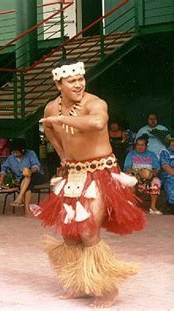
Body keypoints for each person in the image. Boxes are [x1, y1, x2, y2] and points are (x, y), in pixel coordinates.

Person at [36, 59, 145, 308]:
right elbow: (50, 130)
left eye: (80, 79)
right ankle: (79, 283)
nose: (78, 84)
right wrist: (62, 155)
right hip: (73, 175)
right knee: (70, 234)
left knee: (87, 230)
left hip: (100, 173)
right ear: (58, 83)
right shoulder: (52, 108)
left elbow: (97, 123)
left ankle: (107, 288)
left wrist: (63, 121)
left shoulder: (95, 103)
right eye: (71, 81)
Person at [0, 138, 44, 217]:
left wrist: (30, 170)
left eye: (16, 152)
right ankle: (26, 211)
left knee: (27, 175)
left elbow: (36, 166)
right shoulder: (10, 158)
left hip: (36, 175)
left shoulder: (31, 153)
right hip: (22, 180)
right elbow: (4, 169)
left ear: (23, 150)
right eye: (13, 152)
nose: (14, 154)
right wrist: (1, 179)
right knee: (28, 185)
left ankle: (20, 199)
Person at [124, 136, 163, 215]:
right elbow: (127, 168)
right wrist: (138, 173)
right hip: (135, 176)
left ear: (146, 145)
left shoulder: (151, 154)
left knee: (156, 181)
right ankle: (132, 207)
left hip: (149, 177)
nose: (140, 147)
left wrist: (151, 174)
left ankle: (152, 207)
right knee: (129, 182)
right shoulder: (131, 154)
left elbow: (157, 168)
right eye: (138, 145)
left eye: (142, 145)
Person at [159, 132, 174, 213]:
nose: (173, 143)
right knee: (171, 178)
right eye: (172, 141)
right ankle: (171, 204)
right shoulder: (165, 152)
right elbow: (166, 167)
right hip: (167, 175)